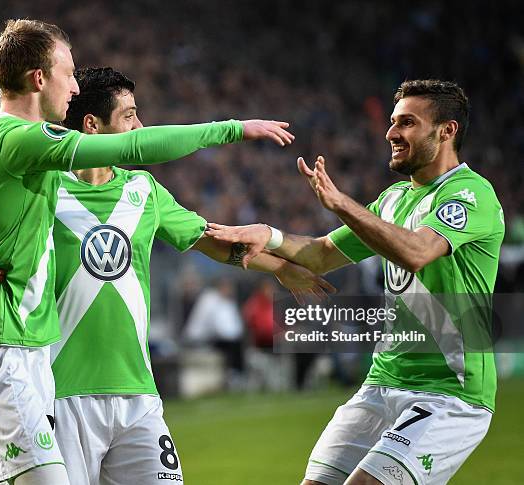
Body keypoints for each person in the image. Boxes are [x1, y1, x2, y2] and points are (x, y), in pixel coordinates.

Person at [0, 18, 296, 485]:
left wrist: (284, 260)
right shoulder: (24, 145)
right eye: (68, 71)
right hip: (10, 355)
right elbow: (135, 144)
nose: (74, 84)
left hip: (56, 366)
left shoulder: (3, 151)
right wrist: (232, 128)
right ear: (39, 79)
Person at [206, 80, 504, 485]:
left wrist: (341, 202)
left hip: (449, 392)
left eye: (407, 123)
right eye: (393, 122)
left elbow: (416, 252)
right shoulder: (394, 199)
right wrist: (269, 236)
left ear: (446, 131)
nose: (391, 133)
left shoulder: (471, 194)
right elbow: (320, 254)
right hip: (382, 383)